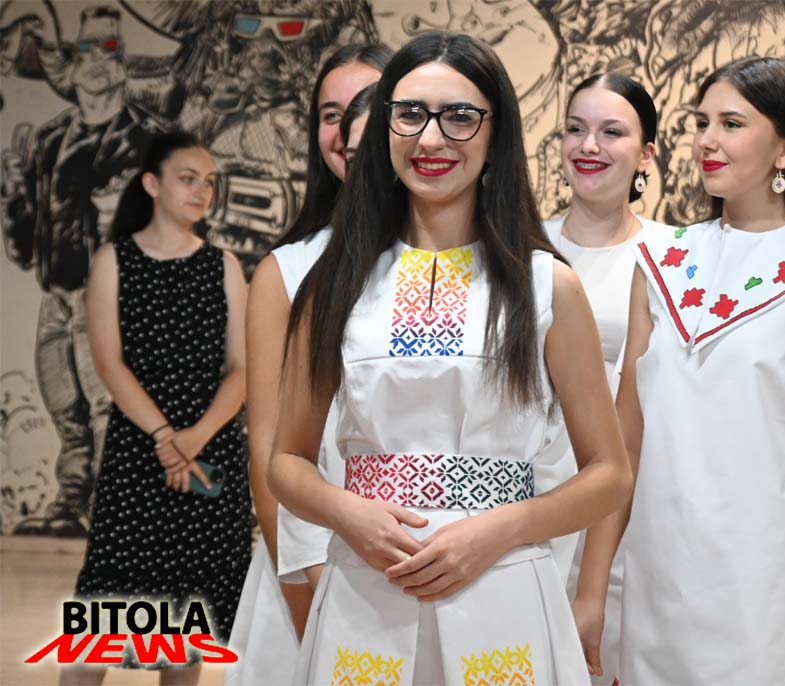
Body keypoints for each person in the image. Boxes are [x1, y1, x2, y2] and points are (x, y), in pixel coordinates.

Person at [269, 31, 631, 685]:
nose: (430, 139)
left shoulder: (547, 286)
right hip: (366, 590)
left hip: (505, 588)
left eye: (459, 116)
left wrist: (499, 531)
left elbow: (609, 474)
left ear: (497, 134)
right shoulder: (334, 284)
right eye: (409, 114)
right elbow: (286, 462)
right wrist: (348, 512)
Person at [576, 56, 785, 685]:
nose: (707, 141)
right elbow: (626, 441)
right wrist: (590, 592)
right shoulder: (662, 261)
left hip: (775, 585)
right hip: (660, 579)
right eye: (701, 123)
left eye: (732, 124)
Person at [225, 43, 392, 685]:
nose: (349, 130)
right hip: (312, 570)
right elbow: (271, 454)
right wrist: (306, 593)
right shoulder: (289, 270)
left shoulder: (470, 266)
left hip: (429, 566)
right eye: (330, 114)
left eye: (369, 105)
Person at [66, 131, 252, 685]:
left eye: (209, 182)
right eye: (187, 179)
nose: (202, 191)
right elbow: (109, 364)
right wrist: (167, 439)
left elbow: (243, 370)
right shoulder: (114, 260)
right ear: (151, 184)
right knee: (97, 630)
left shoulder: (223, 265)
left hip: (209, 453)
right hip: (139, 456)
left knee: (187, 638)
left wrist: (194, 439)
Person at [2, 5, 161, 537]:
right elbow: (25, 246)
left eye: (108, 49)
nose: (96, 61)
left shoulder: (149, 141)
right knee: (65, 406)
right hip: (58, 293)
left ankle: (114, 508)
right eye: (85, 49)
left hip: (114, 296)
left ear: (123, 63)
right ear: (70, 64)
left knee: (107, 408)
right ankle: (72, 503)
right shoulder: (48, 141)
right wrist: (12, 194)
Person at [543, 71, 670, 685]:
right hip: (528, 503)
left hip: (632, 514)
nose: (589, 146)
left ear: (646, 153)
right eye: (576, 129)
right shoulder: (518, 246)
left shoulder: (673, 257)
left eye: (612, 132)